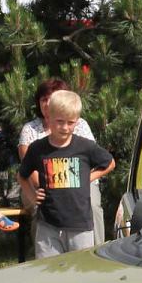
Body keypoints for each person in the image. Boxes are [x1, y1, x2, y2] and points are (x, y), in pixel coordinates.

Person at [18, 90, 115, 258]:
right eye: (60, 121)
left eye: (70, 122)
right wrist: (32, 196)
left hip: (80, 226)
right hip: (48, 225)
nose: (64, 127)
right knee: (47, 271)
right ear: (48, 117)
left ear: (77, 122)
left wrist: (88, 178)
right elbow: (22, 175)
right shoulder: (37, 148)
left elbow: (109, 163)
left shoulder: (85, 147)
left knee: (80, 272)